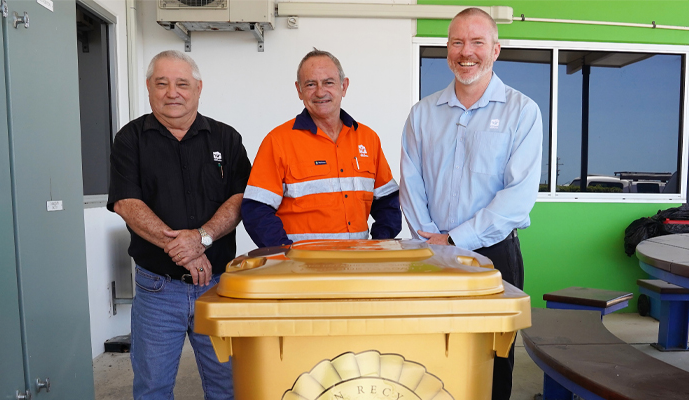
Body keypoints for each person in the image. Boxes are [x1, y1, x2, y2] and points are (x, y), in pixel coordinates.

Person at [399, 8, 542, 400]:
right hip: (430, 254)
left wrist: (456, 239)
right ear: (447, 50)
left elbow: (516, 199)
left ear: (495, 49)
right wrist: (434, 241)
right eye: (457, 42)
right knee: (430, 357)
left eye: (477, 42)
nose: (467, 52)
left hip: (495, 256)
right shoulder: (422, 114)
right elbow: (411, 187)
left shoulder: (522, 112)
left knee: (493, 361)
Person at [107, 50, 250, 400]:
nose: (173, 92)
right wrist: (187, 251)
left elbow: (241, 198)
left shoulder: (226, 139)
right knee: (152, 388)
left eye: (182, 84)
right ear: (149, 88)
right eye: (162, 83)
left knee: (227, 387)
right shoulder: (130, 140)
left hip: (217, 286)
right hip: (158, 290)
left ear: (198, 89)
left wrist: (201, 238)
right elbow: (127, 203)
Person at [242, 49, 401, 246]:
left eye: (328, 82)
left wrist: (377, 246)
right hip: (303, 271)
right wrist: (286, 255)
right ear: (299, 90)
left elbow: (388, 201)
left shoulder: (368, 139)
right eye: (310, 84)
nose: (320, 92)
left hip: (357, 267)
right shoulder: (278, 141)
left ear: (344, 86)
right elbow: (256, 209)